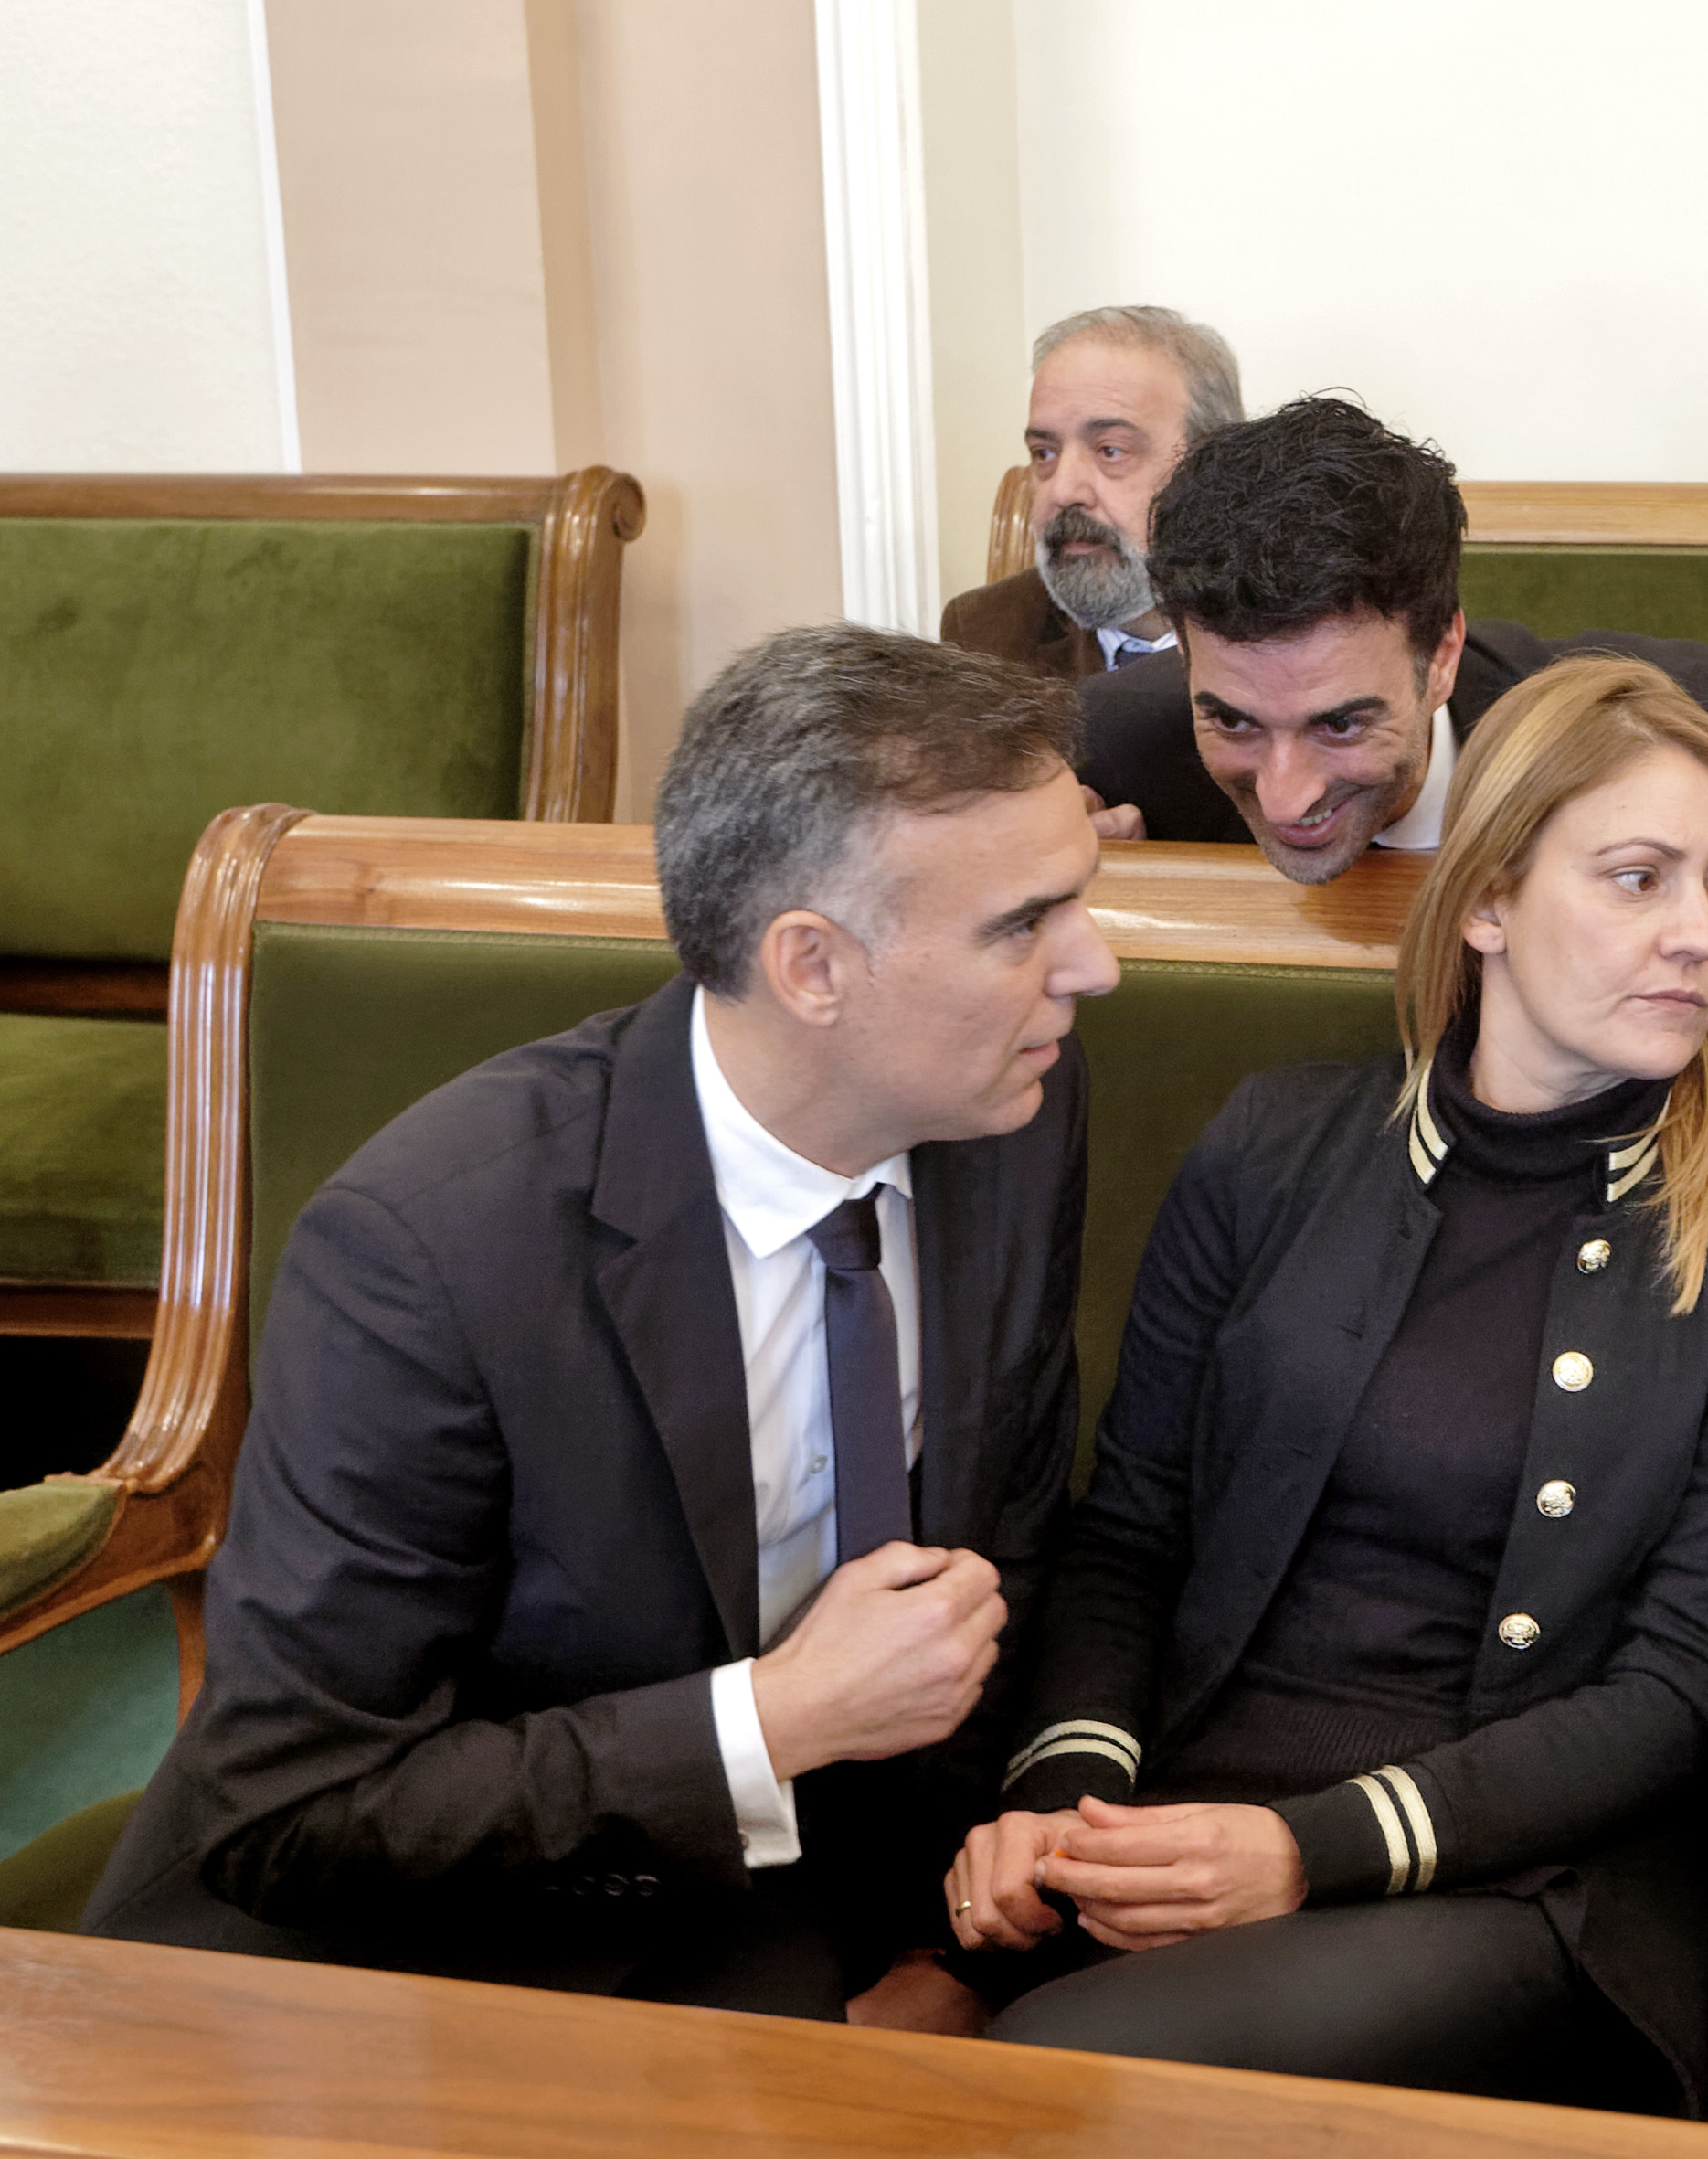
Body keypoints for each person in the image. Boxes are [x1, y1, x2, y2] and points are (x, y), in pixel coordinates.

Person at [84, 626, 1122, 2023]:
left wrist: (942, 1942)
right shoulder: (429, 1250)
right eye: (1023, 924)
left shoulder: (1007, 1114)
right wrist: (773, 1720)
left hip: (790, 1909)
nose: (1095, 965)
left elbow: (1007, 1543)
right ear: (811, 965)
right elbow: (293, 1806)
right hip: (419, 1950)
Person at [938, 654, 1708, 2113]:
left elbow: (1689, 1684)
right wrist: (1056, 1805)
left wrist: (1308, 1849)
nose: (1698, 934)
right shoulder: (1272, 1146)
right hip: (1184, 1811)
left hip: (1523, 1887)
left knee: (1048, 2077)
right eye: (1636, 880)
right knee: (879, 2035)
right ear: (1487, 900)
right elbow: (1130, 1536)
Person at [1072, 396, 1708, 878]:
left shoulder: (1666, 711)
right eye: (1234, 721)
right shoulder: (1104, 743)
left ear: (1439, 655)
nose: (1287, 798)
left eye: (1340, 724)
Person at [939, 304, 1242, 690]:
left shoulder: (1299, 631)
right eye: (1044, 453)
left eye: (1110, 450)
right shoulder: (986, 637)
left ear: (1213, 463)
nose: (1063, 491)